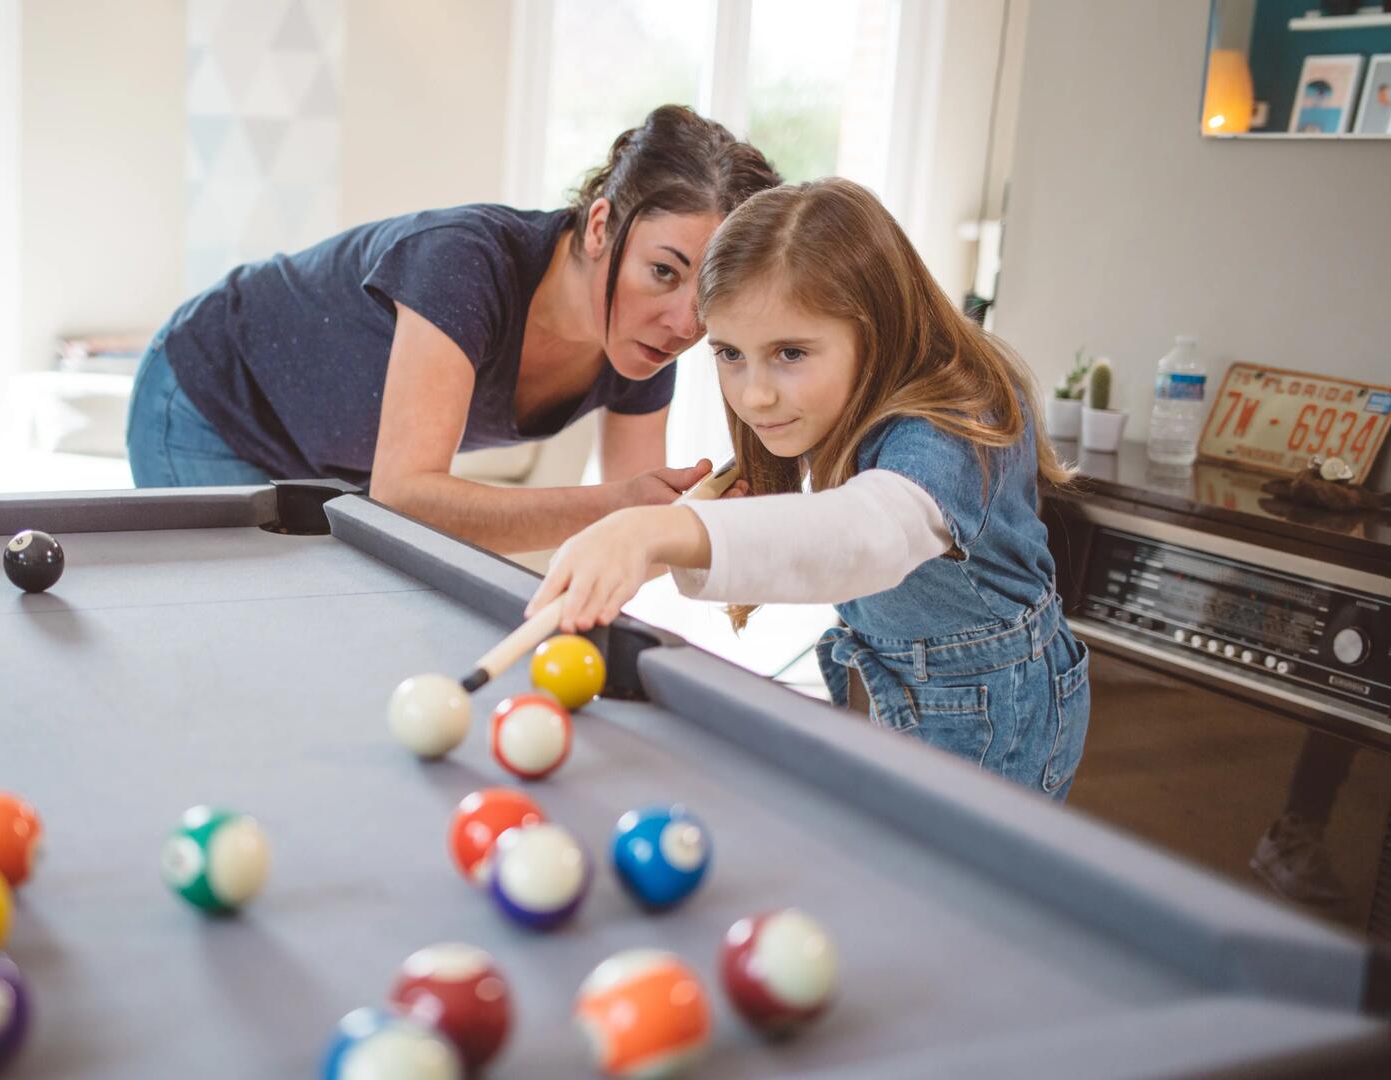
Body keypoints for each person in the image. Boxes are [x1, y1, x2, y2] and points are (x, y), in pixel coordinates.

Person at [525, 178, 1091, 798]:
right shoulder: (853, 389)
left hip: (1001, 716)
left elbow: (864, 534)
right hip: (903, 689)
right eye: (730, 353)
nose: (754, 394)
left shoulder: (956, 418)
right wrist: (633, 552)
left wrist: (654, 529)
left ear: (875, 329)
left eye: (790, 353)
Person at [127, 105, 781, 553]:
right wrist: (617, 507)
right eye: (664, 272)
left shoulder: (641, 339)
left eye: (709, 293)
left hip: (330, 462)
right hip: (209, 400)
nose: (683, 325)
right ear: (603, 224)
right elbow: (405, 498)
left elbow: (641, 530)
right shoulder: (466, 261)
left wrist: (696, 529)